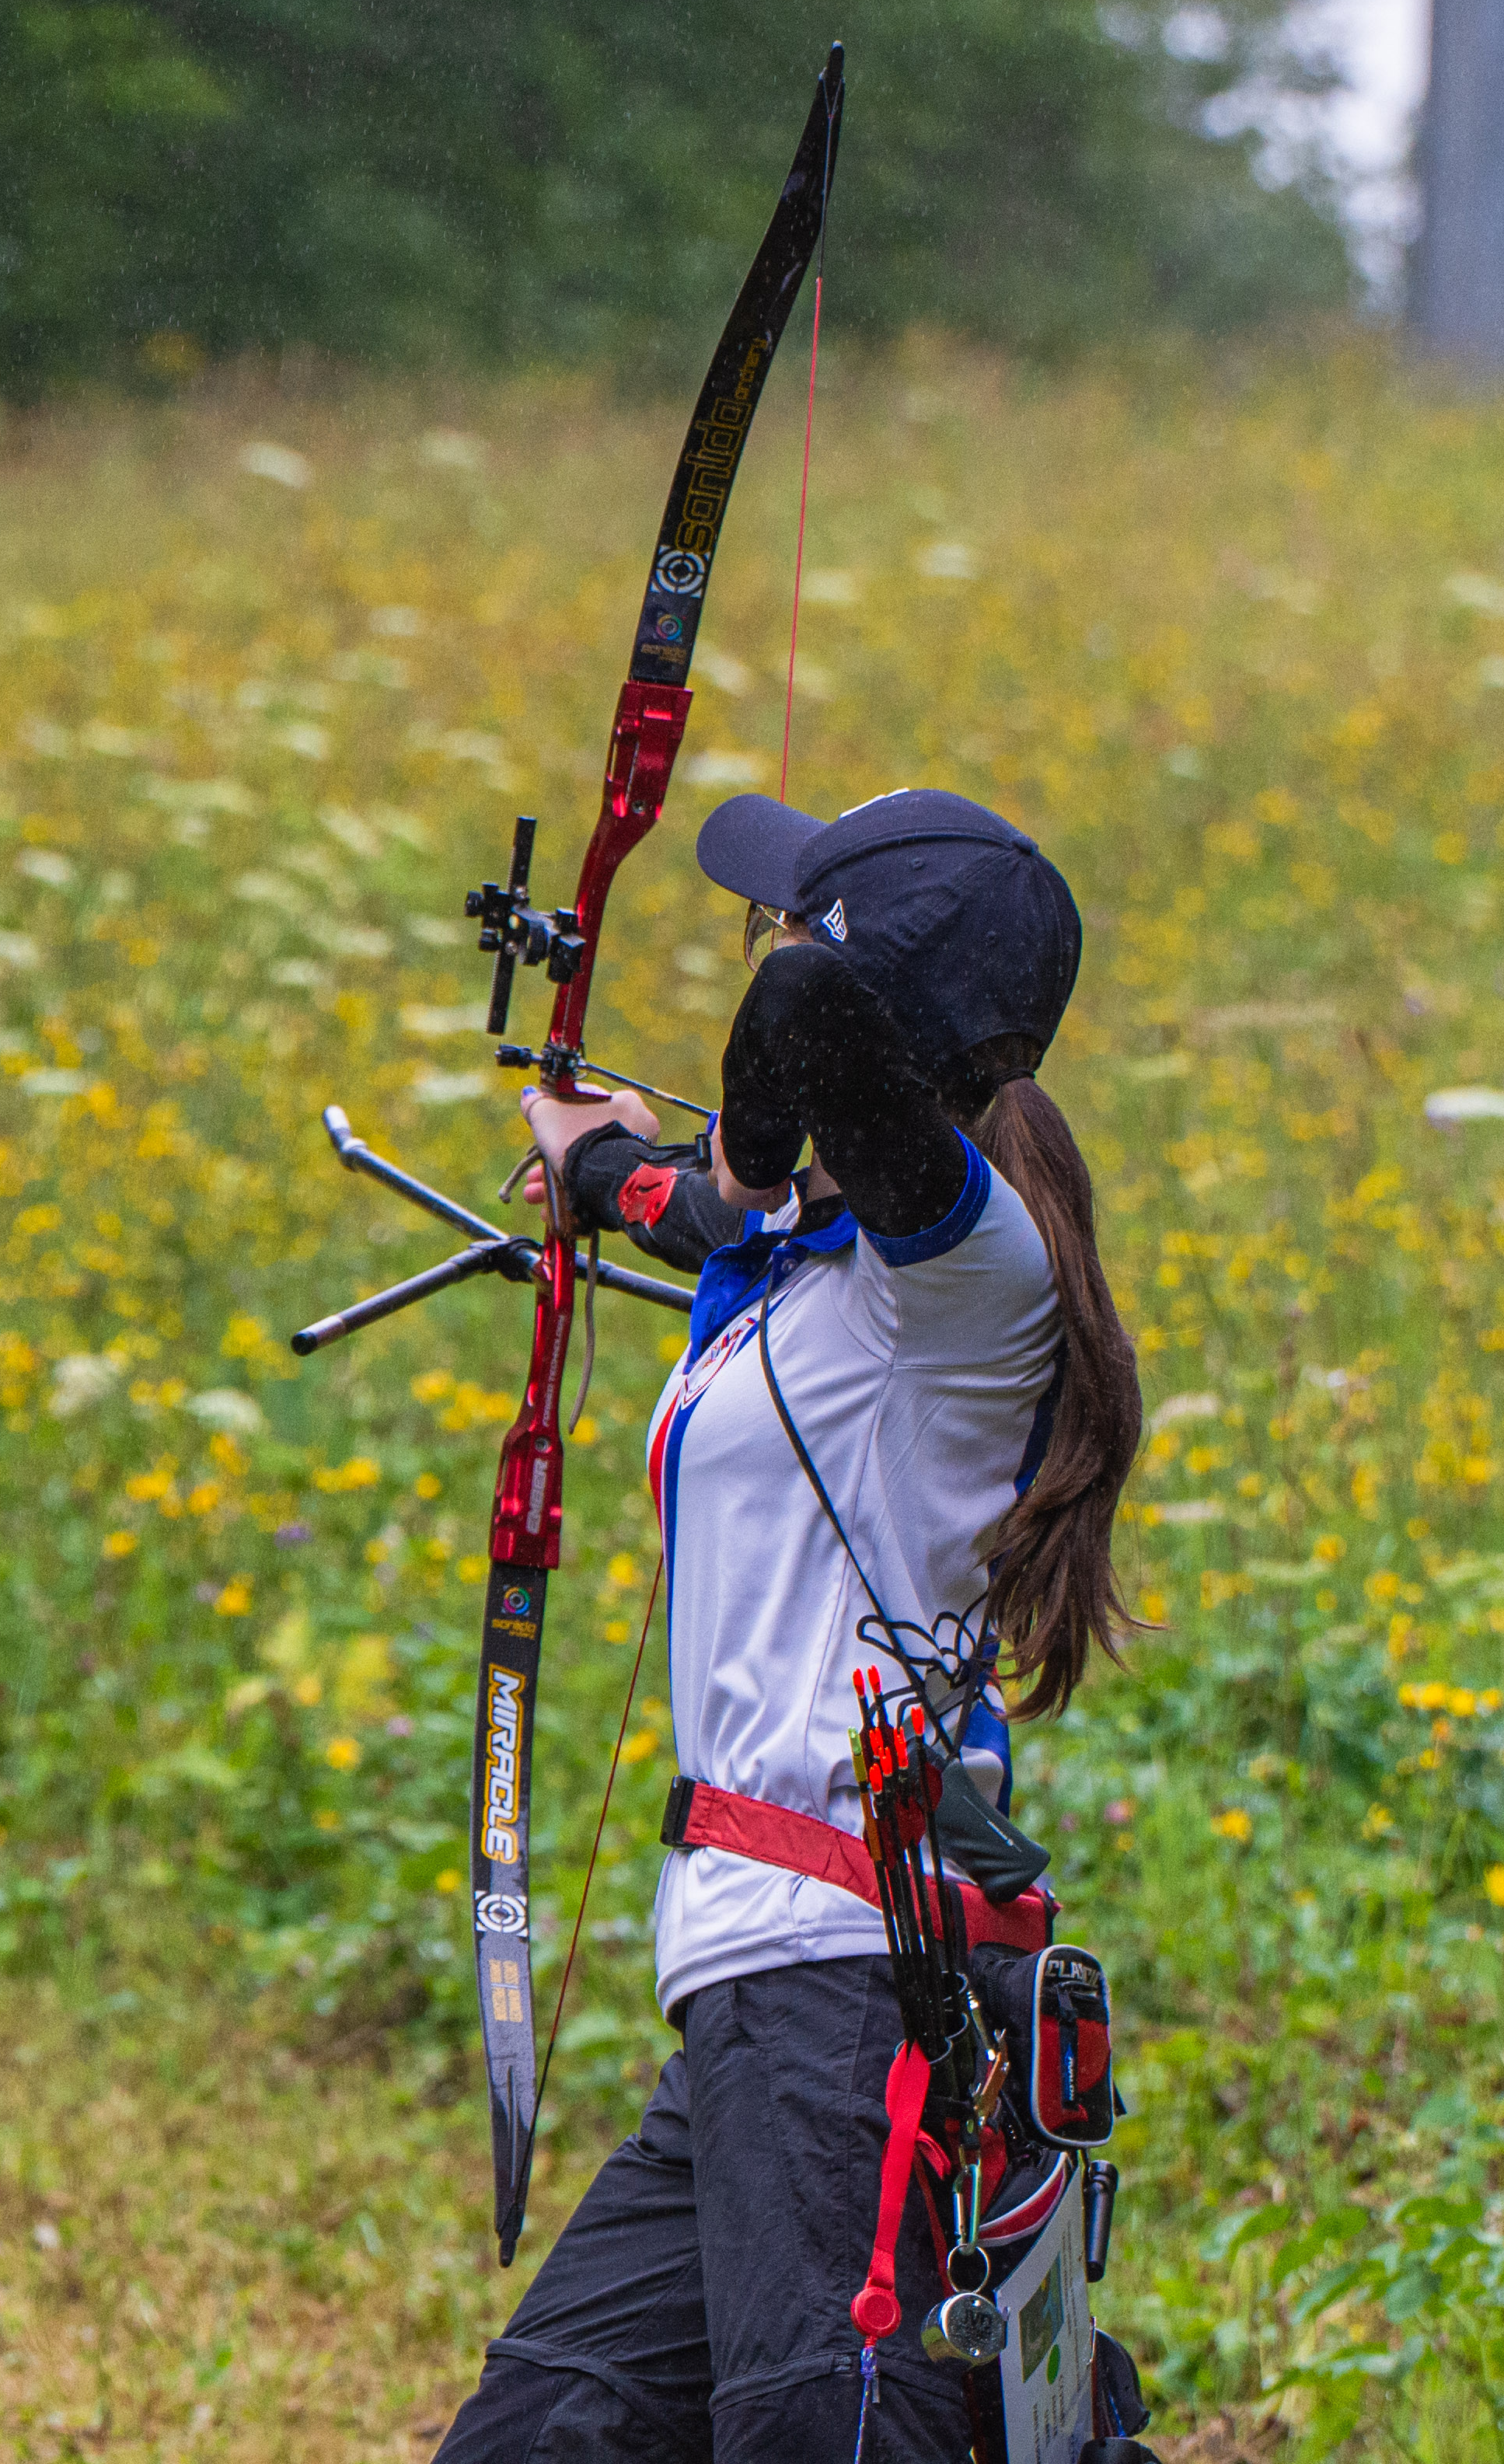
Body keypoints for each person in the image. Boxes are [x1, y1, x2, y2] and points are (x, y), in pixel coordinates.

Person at [427, 788, 1150, 2463]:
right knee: (539, 2436)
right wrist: (628, 1177)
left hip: (845, 1989)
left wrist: (708, 1169)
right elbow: (727, 1216)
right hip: (770, 1994)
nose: (763, 952)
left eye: (789, 919)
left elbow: (801, 1023)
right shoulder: (828, 1274)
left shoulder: (970, 1274)